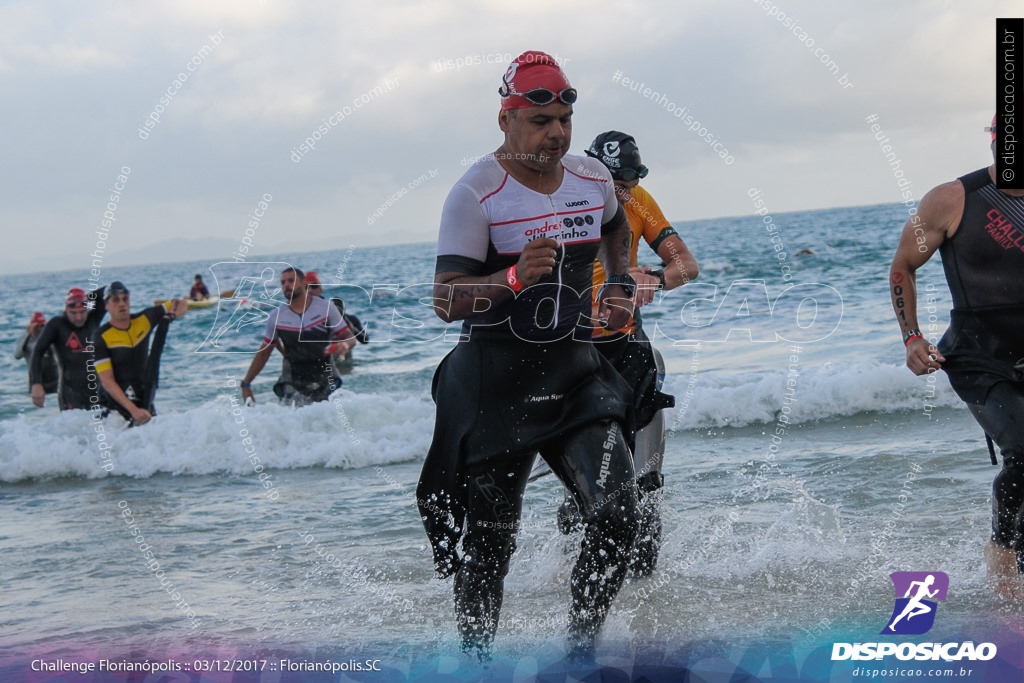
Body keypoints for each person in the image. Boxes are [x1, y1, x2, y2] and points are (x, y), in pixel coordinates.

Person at [416, 51, 640, 659]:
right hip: (495, 387)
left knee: (620, 516)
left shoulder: (592, 177)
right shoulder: (476, 193)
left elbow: (618, 225)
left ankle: (579, 654)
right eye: (542, 123)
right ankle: (477, 665)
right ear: (506, 119)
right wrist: (513, 278)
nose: (557, 133)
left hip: (573, 375)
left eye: (565, 119)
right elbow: (444, 300)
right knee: (489, 549)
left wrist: (620, 283)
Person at [888, 114, 1024, 599]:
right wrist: (912, 337)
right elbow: (904, 264)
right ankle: (1003, 550)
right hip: (978, 355)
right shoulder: (952, 200)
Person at [555, 131, 700, 576]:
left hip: (627, 349)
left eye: (630, 181)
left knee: (648, 480)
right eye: (615, 181)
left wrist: (653, 276)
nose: (623, 191)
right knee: (586, 488)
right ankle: (569, 574)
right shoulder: (563, 203)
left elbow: (686, 265)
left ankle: (647, 592)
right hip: (573, 354)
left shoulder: (638, 203)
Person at [239, 267, 355, 406]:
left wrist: (345, 345)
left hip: (324, 371)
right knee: (292, 419)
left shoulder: (326, 308)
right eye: (283, 283)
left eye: (291, 281)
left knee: (327, 418)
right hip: (293, 375)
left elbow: (349, 335)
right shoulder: (276, 316)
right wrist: (246, 383)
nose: (286, 285)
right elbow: (264, 352)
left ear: (304, 283)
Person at [94, 282, 188, 425]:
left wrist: (172, 316)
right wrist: (133, 410)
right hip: (114, 406)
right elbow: (107, 381)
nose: (122, 304)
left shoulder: (144, 319)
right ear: (107, 305)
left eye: (125, 298)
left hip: (143, 397)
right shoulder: (101, 336)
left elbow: (180, 303)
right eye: (116, 300)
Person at [30, 287, 107, 410]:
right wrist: (36, 383)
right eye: (73, 313)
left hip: (97, 390)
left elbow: (109, 290)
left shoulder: (93, 319)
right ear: (66, 310)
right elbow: (38, 351)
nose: (79, 317)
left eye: (82, 312)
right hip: (70, 393)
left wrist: (84, 297)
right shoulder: (57, 325)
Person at [15, 312, 58, 395]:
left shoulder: (51, 338)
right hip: (36, 381)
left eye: (42, 326)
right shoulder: (27, 341)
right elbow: (17, 355)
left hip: (54, 380)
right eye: (36, 326)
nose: (40, 329)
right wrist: (28, 334)